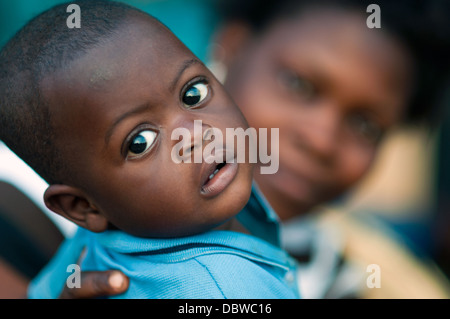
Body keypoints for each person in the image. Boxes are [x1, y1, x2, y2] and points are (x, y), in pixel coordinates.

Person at [0, 0, 299, 299]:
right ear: (83, 206)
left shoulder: (89, 249)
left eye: (193, 94)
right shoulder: (227, 291)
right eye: (140, 142)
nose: (195, 134)